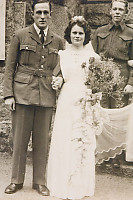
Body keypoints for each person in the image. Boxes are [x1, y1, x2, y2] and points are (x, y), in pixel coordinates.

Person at [3, 0, 64, 195]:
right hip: (22, 94)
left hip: (46, 95)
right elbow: (10, 67)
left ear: (51, 14)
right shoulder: (20, 35)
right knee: (20, 140)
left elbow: (63, 68)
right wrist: (8, 95)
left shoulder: (58, 41)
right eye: (39, 12)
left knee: (42, 141)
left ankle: (40, 181)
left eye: (46, 12)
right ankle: (16, 180)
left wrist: (59, 80)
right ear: (33, 14)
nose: (42, 16)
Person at [47, 16, 100, 200]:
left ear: (86, 36)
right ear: (69, 34)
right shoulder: (63, 55)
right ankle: (62, 182)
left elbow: (96, 83)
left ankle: (80, 184)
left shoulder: (94, 57)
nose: (77, 36)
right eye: (74, 33)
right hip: (67, 99)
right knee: (65, 137)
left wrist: (94, 97)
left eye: (80, 33)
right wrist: (58, 81)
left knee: (82, 139)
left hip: (84, 100)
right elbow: (60, 75)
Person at [91, 0, 133, 167]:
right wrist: (92, 83)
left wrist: (131, 82)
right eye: (114, 9)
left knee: (117, 115)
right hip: (102, 78)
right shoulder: (99, 32)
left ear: (126, 13)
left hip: (121, 79)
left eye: (120, 10)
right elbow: (92, 58)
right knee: (100, 114)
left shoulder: (131, 33)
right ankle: (101, 154)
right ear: (110, 11)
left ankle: (115, 156)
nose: (117, 12)